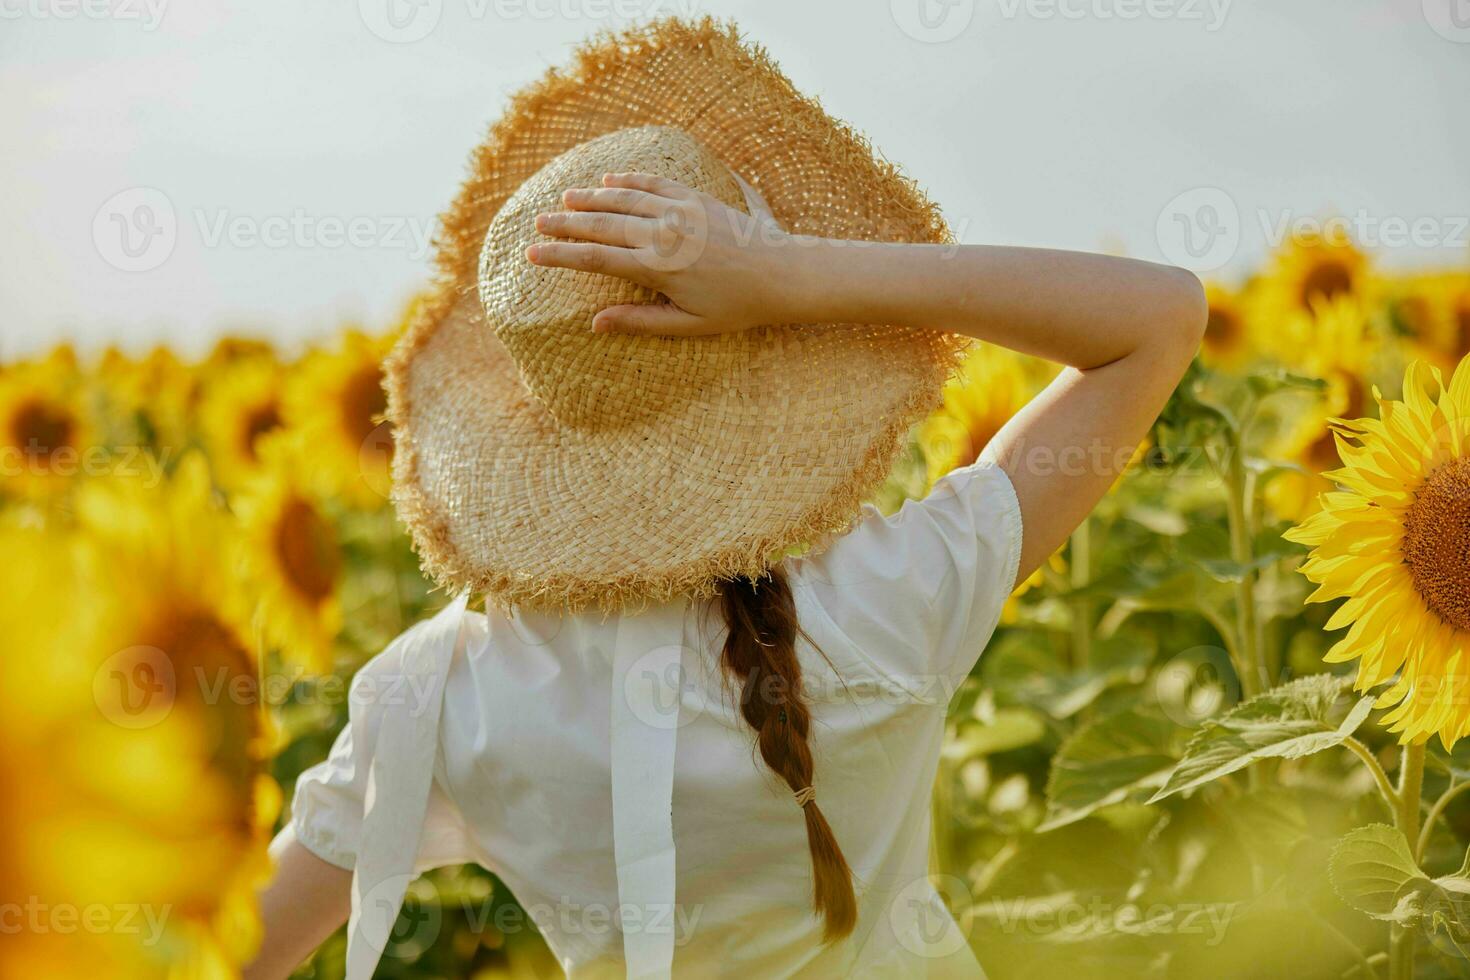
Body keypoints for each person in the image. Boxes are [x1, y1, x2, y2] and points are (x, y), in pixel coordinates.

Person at [244, 19, 1205, 980]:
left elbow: (228, 958)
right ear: (766, 364)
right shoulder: (884, 602)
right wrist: (791, 273)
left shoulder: (443, 698)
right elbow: (1159, 319)